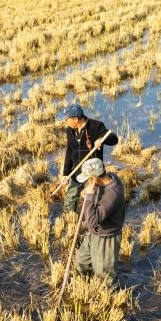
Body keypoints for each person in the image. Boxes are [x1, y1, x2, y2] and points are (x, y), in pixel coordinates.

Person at [57, 104, 118, 215]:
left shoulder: (96, 126)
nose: (66, 122)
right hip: (77, 172)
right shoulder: (70, 130)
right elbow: (70, 150)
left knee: (93, 201)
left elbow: (114, 139)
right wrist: (66, 173)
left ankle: (93, 223)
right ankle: (69, 219)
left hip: (92, 173)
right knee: (70, 199)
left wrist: (101, 139)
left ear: (75, 119)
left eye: (67, 119)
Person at [74, 158, 125, 286]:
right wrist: (91, 191)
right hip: (94, 234)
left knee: (105, 277)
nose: (86, 182)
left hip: (106, 238)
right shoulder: (111, 176)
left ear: (95, 179)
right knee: (82, 262)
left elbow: (92, 222)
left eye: (88, 179)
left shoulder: (112, 195)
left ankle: (109, 298)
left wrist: (90, 196)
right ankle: (85, 288)